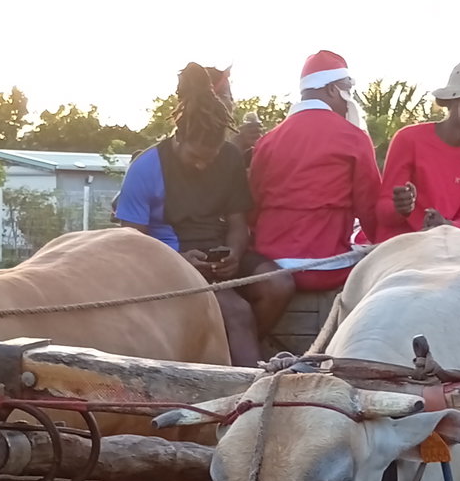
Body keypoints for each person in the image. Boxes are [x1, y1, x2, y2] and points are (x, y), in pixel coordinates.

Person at [113, 64, 290, 367]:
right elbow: (131, 244)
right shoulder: (146, 166)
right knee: (236, 312)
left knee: (280, 284)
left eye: (211, 158)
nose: (202, 166)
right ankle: (248, 380)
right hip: (168, 263)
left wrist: (234, 252)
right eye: (195, 157)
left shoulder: (231, 158)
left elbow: (237, 222)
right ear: (178, 137)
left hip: (217, 256)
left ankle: (225, 355)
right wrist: (179, 260)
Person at [247, 51, 383, 295]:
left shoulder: (268, 140)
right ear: (332, 90)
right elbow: (369, 209)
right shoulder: (353, 138)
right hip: (325, 268)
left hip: (270, 266)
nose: (347, 101)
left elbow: (252, 206)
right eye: (347, 91)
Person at [377, 62, 460, 237]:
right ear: (457, 100)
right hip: (398, 249)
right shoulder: (409, 139)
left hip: (444, 247)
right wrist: (401, 209)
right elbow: (383, 212)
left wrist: (446, 225)